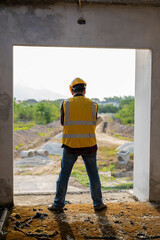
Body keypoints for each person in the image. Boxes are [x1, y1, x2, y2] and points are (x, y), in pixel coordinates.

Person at [48, 78, 106, 212]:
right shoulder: (93, 104)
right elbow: (92, 121)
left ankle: (58, 204)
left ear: (71, 90)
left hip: (71, 145)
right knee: (93, 175)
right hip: (89, 144)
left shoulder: (65, 104)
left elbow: (63, 122)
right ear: (85, 90)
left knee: (64, 175)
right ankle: (98, 204)